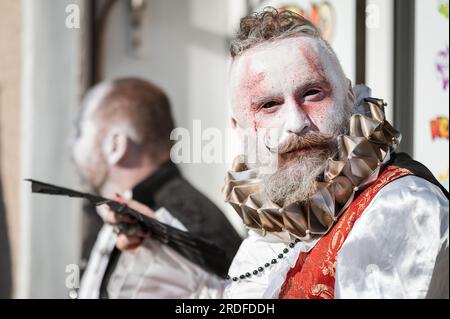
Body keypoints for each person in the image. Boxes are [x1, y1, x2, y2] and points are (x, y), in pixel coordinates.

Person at [112, 8, 449, 299]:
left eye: (313, 93)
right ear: (239, 128)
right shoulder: (282, 220)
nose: (296, 124)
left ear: (349, 96)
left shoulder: (402, 207)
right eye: (269, 105)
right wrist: (163, 245)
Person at [72, 77, 242, 298]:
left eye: (79, 133)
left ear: (115, 145)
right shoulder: (109, 210)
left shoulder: (186, 225)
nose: (72, 147)